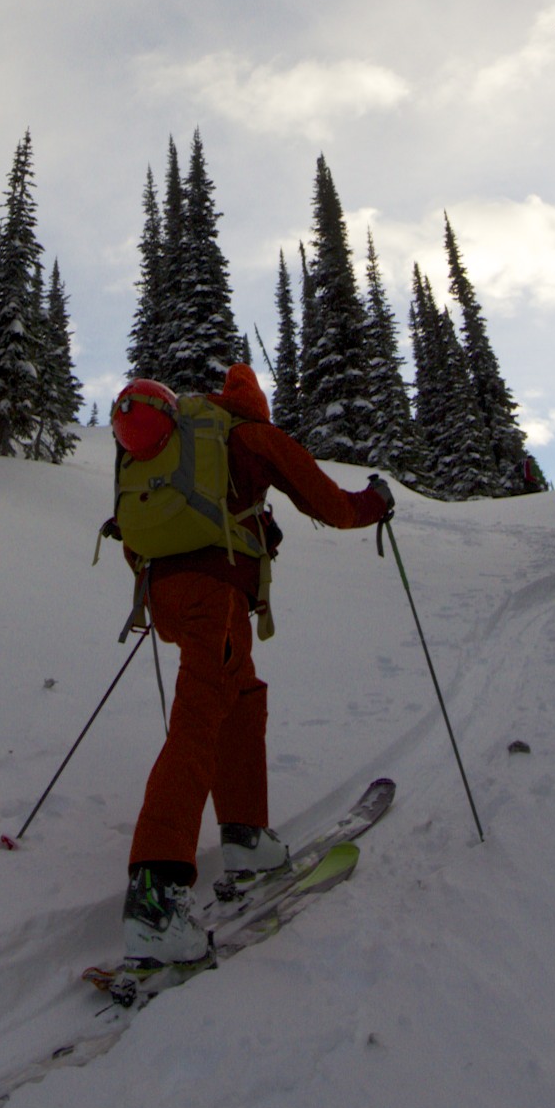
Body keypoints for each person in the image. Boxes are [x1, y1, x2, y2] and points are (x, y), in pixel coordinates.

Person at [110, 362, 392, 966]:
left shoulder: (177, 437)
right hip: (215, 595)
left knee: (238, 693)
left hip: (166, 593)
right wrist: (375, 503)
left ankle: (245, 836)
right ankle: (156, 896)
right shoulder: (249, 433)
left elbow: (135, 533)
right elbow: (331, 505)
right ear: (254, 400)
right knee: (197, 718)